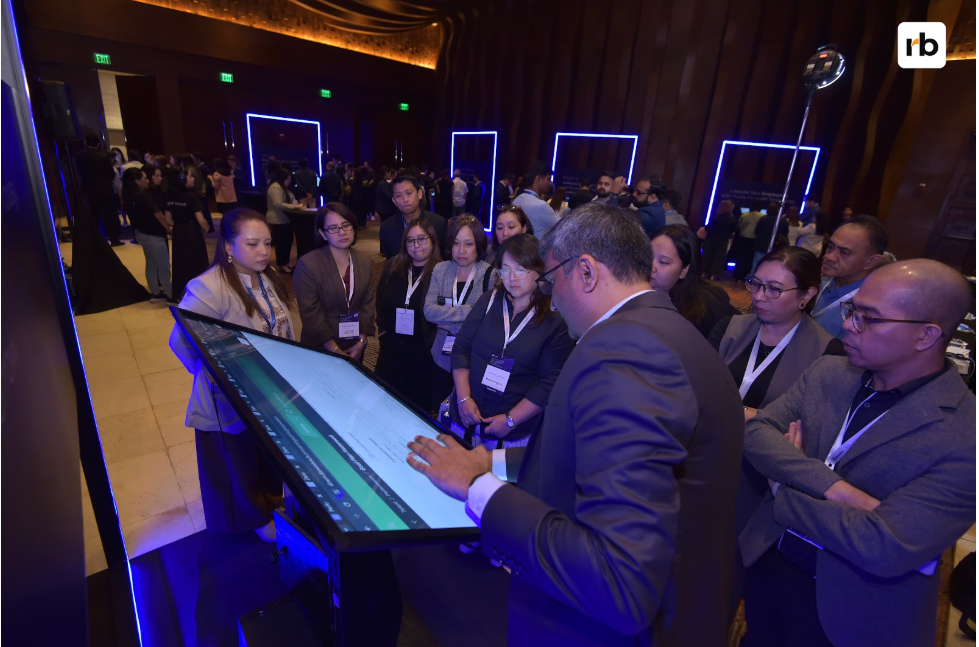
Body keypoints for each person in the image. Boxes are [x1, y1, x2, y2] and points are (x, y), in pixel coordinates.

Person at [406, 203, 744, 646]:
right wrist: (497, 461)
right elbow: (604, 458)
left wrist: (478, 488)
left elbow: (618, 581)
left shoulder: (625, 353)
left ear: (585, 272)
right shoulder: (670, 333)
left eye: (549, 278)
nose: (550, 293)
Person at [738, 258, 975, 647]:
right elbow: (757, 433)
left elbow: (884, 545)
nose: (848, 324)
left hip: (855, 612)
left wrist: (784, 487)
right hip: (769, 564)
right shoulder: (830, 372)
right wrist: (833, 488)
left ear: (926, 335)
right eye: (852, 310)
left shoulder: (964, 436)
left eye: (869, 317)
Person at [709, 246, 845, 613]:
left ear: (807, 295)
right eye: (756, 284)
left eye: (774, 289)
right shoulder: (731, 327)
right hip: (708, 460)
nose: (759, 296)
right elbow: (697, 390)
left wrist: (743, 414)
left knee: (733, 574)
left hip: (760, 479)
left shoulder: (828, 352)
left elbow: (805, 429)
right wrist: (752, 413)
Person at [169, 208, 293, 542]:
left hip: (269, 392)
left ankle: (271, 503)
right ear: (228, 246)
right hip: (231, 398)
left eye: (267, 243)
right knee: (238, 463)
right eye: (252, 244)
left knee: (266, 455)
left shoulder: (265, 277)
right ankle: (252, 519)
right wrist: (214, 375)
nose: (264, 251)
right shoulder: (208, 287)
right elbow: (181, 341)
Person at [448, 233, 574, 450]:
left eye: (521, 270)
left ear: (539, 270)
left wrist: (510, 420)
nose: (512, 278)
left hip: (513, 430)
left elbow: (549, 382)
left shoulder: (555, 318)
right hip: (466, 415)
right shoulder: (489, 300)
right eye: (505, 269)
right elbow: (461, 348)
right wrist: (463, 399)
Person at [423, 215, 492, 411]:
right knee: (439, 413)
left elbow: (485, 323)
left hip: (472, 361)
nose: (461, 251)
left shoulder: (490, 274)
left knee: (467, 415)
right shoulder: (441, 269)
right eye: (456, 243)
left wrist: (446, 323)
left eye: (468, 244)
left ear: (478, 245)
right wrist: (470, 311)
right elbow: (429, 311)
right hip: (440, 358)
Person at [375, 218, 442, 412]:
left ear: (432, 240)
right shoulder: (393, 266)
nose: (416, 245)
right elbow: (380, 300)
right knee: (386, 404)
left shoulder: (442, 271)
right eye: (410, 240)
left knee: (416, 410)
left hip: (423, 355)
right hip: (391, 351)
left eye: (422, 239)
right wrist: (382, 329)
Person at [293, 203, 375, 360]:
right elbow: (311, 314)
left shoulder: (364, 260)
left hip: (355, 341)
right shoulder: (308, 264)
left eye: (346, 225)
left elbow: (368, 304)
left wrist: (361, 342)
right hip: (321, 345)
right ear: (323, 234)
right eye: (333, 228)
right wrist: (335, 350)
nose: (342, 232)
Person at [650, 225, 738, 338]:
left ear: (684, 270)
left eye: (663, 262)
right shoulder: (633, 290)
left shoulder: (701, 310)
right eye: (648, 256)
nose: (651, 267)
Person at [810, 215, 887, 339]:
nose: (829, 257)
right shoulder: (817, 284)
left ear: (871, 261)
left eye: (844, 252)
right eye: (830, 247)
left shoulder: (874, 310)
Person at [122, 167, 173, 302]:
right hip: (154, 235)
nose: (147, 180)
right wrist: (168, 228)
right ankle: (170, 295)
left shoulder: (127, 196)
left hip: (141, 233)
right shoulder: (143, 196)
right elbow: (159, 215)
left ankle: (155, 293)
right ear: (137, 181)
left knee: (151, 263)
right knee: (163, 266)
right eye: (144, 178)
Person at [165, 166, 210, 301]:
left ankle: (180, 293)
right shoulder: (191, 197)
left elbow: (168, 218)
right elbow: (201, 220)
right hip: (192, 231)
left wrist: (178, 224)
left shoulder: (169, 195)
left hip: (179, 231)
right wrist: (206, 228)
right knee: (196, 262)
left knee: (180, 263)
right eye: (190, 176)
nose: (193, 178)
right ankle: (199, 295)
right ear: (182, 180)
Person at [379, 175, 448, 259]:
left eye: (409, 193)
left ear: (419, 194)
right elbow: (390, 257)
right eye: (398, 196)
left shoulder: (438, 223)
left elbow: (444, 256)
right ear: (394, 201)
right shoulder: (387, 227)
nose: (405, 199)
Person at [76, 134, 122, 245]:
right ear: (98, 144)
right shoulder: (103, 156)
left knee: (93, 214)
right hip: (105, 188)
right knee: (109, 214)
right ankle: (114, 239)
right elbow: (110, 174)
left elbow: (79, 171)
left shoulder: (79, 155)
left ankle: (94, 239)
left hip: (89, 188)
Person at [512, 161, 558, 240]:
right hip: (537, 250)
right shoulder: (541, 205)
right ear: (538, 179)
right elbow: (563, 228)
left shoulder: (516, 200)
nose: (550, 183)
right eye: (548, 179)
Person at [266, 168, 298, 274]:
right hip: (277, 220)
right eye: (288, 179)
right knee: (281, 243)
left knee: (288, 241)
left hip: (285, 220)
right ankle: (281, 263)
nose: (289, 181)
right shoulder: (275, 187)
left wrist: (296, 205)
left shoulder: (283, 188)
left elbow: (291, 199)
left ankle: (286, 261)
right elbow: (278, 204)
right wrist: (295, 207)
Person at [698, 200, 738, 280]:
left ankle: (704, 273)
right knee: (718, 258)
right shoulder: (731, 219)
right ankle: (714, 274)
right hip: (723, 241)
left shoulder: (715, 217)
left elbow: (708, 228)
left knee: (707, 256)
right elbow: (734, 230)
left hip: (710, 239)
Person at [750, 203, 790, 274]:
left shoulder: (763, 219)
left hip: (761, 245)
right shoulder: (782, 221)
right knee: (772, 266)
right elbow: (785, 233)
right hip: (776, 247)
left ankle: (753, 281)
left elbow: (757, 231)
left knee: (757, 265)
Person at [734, 200, 765, 281]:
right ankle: (744, 276)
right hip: (753, 240)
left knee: (740, 258)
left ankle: (737, 275)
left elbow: (739, 226)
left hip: (742, 238)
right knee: (748, 259)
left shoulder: (745, 215)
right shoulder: (762, 216)